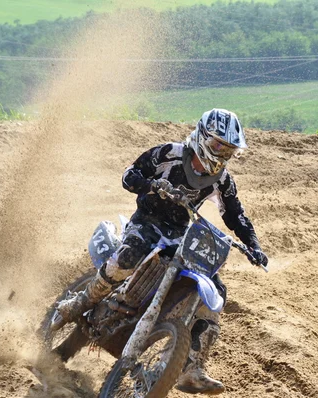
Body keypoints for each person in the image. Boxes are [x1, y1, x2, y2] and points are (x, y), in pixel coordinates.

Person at [55, 108, 268, 394]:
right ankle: (81, 302)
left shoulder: (222, 179)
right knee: (127, 257)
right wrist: (151, 185)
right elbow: (130, 175)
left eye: (228, 149)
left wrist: (253, 244)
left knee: (216, 290)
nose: (222, 153)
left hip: (180, 234)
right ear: (203, 137)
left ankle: (191, 366)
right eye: (218, 144)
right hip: (147, 222)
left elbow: (235, 215)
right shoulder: (169, 153)